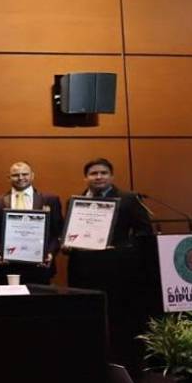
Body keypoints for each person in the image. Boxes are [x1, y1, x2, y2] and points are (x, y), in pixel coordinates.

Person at [65, 158, 154, 370]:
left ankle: (122, 366)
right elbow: (69, 233)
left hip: (118, 273)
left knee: (118, 322)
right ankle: (90, 364)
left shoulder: (128, 198)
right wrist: (66, 244)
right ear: (85, 177)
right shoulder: (75, 201)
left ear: (111, 176)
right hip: (83, 271)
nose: (99, 177)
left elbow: (144, 233)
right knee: (88, 320)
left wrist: (122, 250)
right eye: (94, 173)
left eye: (103, 173)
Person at [0, 161, 62, 286]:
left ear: (32, 175)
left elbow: (57, 232)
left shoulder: (50, 200)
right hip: (8, 265)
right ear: (8, 177)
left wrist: (50, 253)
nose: (20, 178)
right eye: (15, 175)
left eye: (25, 174)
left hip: (40, 265)